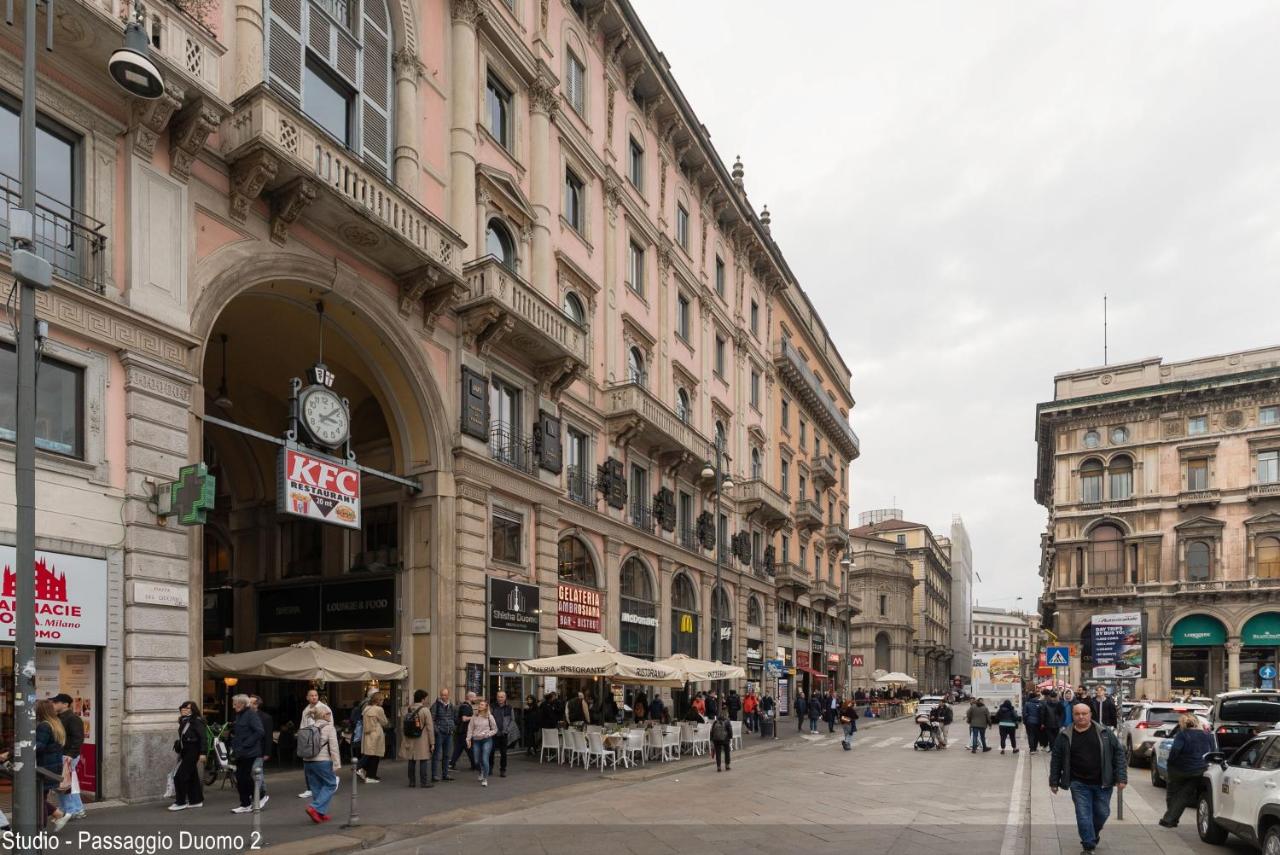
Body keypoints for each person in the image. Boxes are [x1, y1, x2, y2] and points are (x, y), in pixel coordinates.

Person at [1049, 702, 1128, 853]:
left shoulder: (1104, 732)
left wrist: (1121, 777)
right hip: (1078, 783)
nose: (1081, 717)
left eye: (1084, 713)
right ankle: (1088, 845)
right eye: (1077, 714)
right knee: (1083, 815)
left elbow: (1118, 754)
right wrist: (1054, 781)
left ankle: (1093, 834)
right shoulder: (1065, 735)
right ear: (1073, 715)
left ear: (1090, 714)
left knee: (1102, 813)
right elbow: (1057, 758)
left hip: (1103, 782)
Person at [1159, 713, 1214, 828]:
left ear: (1183, 724)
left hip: (1179, 769)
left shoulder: (1182, 735)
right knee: (1185, 794)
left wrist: (1171, 762)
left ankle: (1169, 819)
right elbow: (1212, 751)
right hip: (1199, 769)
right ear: (1197, 723)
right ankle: (1171, 819)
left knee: (1172, 794)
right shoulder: (1207, 735)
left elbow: (1175, 751)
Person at [35, 699, 71, 831]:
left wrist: (23, 749)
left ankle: (40, 829)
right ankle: (58, 814)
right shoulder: (56, 723)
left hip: (44, 767)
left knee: (38, 799)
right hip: (52, 767)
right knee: (39, 797)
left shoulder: (44, 725)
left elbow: (39, 746)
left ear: (40, 711)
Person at [49, 693, 85, 820]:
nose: (53, 704)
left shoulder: (73, 719)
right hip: (63, 754)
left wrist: (70, 754)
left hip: (68, 755)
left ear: (65, 704)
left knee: (65, 784)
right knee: (66, 783)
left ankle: (73, 809)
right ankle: (73, 809)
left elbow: (78, 738)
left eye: (56, 702)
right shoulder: (58, 717)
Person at [303, 705, 341, 823]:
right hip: (322, 761)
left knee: (316, 787)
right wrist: (336, 763)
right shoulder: (329, 728)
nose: (330, 715)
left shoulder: (310, 727)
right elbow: (334, 747)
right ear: (324, 715)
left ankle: (319, 813)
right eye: (328, 713)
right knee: (331, 784)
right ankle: (314, 807)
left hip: (308, 761)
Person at [230, 694, 265, 814]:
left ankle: (258, 797)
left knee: (243, 777)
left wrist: (246, 744)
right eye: (234, 704)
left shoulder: (251, 714)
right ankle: (246, 803)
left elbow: (260, 731)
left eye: (236, 704)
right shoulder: (239, 715)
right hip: (240, 751)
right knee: (240, 777)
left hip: (249, 752)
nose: (234, 706)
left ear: (243, 704)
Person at [169, 701, 207, 811]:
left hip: (193, 751)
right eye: (183, 708)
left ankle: (180, 802)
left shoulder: (196, 721)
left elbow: (203, 738)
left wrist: (203, 753)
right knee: (192, 776)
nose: (184, 710)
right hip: (186, 751)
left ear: (193, 710)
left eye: (187, 708)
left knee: (179, 776)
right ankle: (196, 800)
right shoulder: (184, 720)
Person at [297, 689, 332, 799]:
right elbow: (303, 726)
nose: (314, 697)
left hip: (320, 740)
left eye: (316, 695)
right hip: (308, 741)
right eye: (311, 695)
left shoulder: (324, 708)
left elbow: (330, 723)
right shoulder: (306, 710)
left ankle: (324, 785)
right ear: (307, 697)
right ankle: (310, 788)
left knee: (319, 765)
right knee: (308, 766)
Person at [399, 689, 435, 788]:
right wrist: (432, 743)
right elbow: (430, 728)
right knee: (423, 759)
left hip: (410, 738)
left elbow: (403, 726)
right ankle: (424, 782)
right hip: (422, 739)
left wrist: (404, 739)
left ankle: (412, 781)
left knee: (411, 760)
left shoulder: (409, 709)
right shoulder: (425, 710)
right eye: (426, 698)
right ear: (422, 699)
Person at [357, 690, 389, 782]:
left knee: (370, 754)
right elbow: (384, 722)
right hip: (376, 733)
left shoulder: (366, 708)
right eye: (382, 700)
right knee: (375, 755)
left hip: (367, 734)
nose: (383, 702)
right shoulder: (379, 709)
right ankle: (366, 772)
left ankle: (370, 775)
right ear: (378, 700)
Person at [466, 698, 498, 787]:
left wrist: (488, 734)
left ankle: (485, 778)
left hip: (486, 740)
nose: (480, 706)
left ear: (486, 707)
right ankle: (481, 771)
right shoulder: (474, 716)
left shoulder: (489, 716)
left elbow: (495, 729)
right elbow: (470, 728)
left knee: (484, 759)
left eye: (482, 705)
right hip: (476, 740)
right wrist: (468, 739)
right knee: (476, 761)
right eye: (479, 705)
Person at [430, 687, 456, 783]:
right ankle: (434, 775)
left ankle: (445, 774)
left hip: (449, 733)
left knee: (447, 755)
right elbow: (432, 719)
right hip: (440, 733)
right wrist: (437, 730)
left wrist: (453, 727)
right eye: (442, 695)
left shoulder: (451, 705)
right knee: (436, 755)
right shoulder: (435, 705)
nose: (443, 696)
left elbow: (453, 717)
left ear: (448, 695)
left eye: (445, 695)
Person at [249, 695, 272, 800]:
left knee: (256, 771)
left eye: (251, 702)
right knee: (253, 771)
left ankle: (261, 793)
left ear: (256, 704)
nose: (249, 704)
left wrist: (267, 752)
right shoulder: (245, 715)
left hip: (260, 749)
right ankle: (257, 792)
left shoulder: (265, 717)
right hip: (248, 749)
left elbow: (268, 736)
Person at [450, 692, 478, 771]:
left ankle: (452, 764)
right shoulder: (466, 707)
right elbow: (464, 718)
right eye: (475, 697)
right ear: (470, 698)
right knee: (470, 748)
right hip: (465, 731)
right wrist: (474, 716)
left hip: (461, 731)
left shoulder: (463, 705)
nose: (475, 699)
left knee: (459, 749)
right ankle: (475, 765)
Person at [491, 691, 514, 778]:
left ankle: (503, 770)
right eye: (499, 697)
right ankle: (490, 767)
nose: (500, 698)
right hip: (493, 733)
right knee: (491, 752)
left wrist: (507, 730)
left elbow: (512, 720)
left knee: (503, 753)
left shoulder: (509, 707)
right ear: (496, 697)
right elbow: (488, 718)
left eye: (502, 697)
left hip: (503, 734)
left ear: (505, 698)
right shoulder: (492, 706)